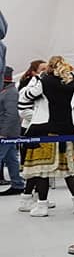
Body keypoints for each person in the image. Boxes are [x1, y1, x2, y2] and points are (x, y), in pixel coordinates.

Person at [18, 56, 74, 216]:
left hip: (46, 128)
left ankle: (42, 205)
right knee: (69, 169)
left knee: (42, 170)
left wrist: (35, 85)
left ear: (50, 67)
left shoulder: (44, 81)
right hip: (67, 130)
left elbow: (25, 96)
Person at [0, 67, 25, 195]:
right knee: (11, 158)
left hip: (6, 133)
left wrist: (3, 133)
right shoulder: (7, 91)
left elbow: (11, 114)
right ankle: (18, 183)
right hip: (8, 132)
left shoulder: (10, 93)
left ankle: (18, 183)